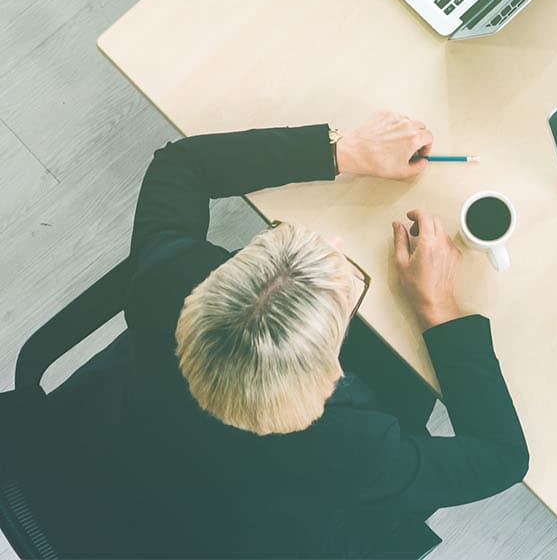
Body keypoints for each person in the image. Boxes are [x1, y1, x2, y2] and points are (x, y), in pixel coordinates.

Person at [98, 111, 528, 557]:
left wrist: (343, 152)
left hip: (159, 456)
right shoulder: (359, 450)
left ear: (213, 281)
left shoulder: (167, 278)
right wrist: (436, 304)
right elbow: (503, 456)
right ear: (332, 373)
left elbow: (181, 164)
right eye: (342, 294)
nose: (336, 245)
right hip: (263, 527)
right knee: (400, 366)